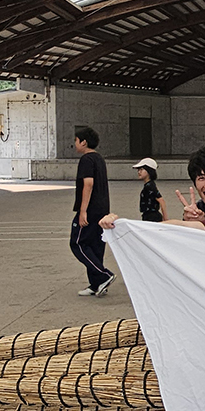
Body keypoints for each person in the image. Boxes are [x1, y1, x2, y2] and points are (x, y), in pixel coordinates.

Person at [70, 127, 114, 297]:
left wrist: (83, 211)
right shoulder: (99, 159)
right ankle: (96, 284)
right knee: (95, 245)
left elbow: (88, 184)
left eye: (76, 140)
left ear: (84, 142)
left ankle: (103, 275)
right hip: (102, 209)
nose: (74, 144)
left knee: (77, 243)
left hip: (91, 210)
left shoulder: (86, 160)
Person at [133, 158, 164, 223]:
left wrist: (166, 219)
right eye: (138, 170)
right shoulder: (148, 185)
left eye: (141, 169)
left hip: (152, 217)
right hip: (147, 216)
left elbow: (161, 201)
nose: (139, 172)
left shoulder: (150, 186)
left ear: (149, 171)